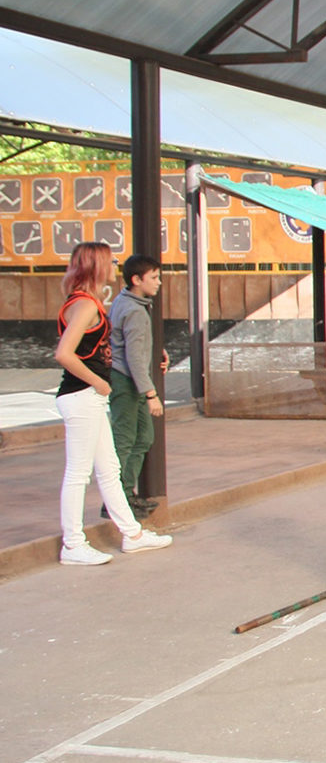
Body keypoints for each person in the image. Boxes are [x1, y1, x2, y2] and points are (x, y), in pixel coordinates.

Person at [53, 242, 173, 565]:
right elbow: (64, 353)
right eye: (110, 261)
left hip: (88, 397)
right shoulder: (85, 305)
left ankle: (131, 534)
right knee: (79, 473)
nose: (114, 267)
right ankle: (72, 544)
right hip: (81, 395)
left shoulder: (87, 301)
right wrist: (98, 382)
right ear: (96, 266)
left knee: (109, 470)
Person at [107, 254, 167, 518]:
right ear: (136, 280)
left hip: (130, 380)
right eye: (153, 277)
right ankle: (117, 499)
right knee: (125, 440)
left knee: (143, 437)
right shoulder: (134, 310)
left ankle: (124, 494)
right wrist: (151, 394)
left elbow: (132, 343)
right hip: (126, 381)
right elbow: (132, 356)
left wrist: (155, 351)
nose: (158, 282)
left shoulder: (125, 302)